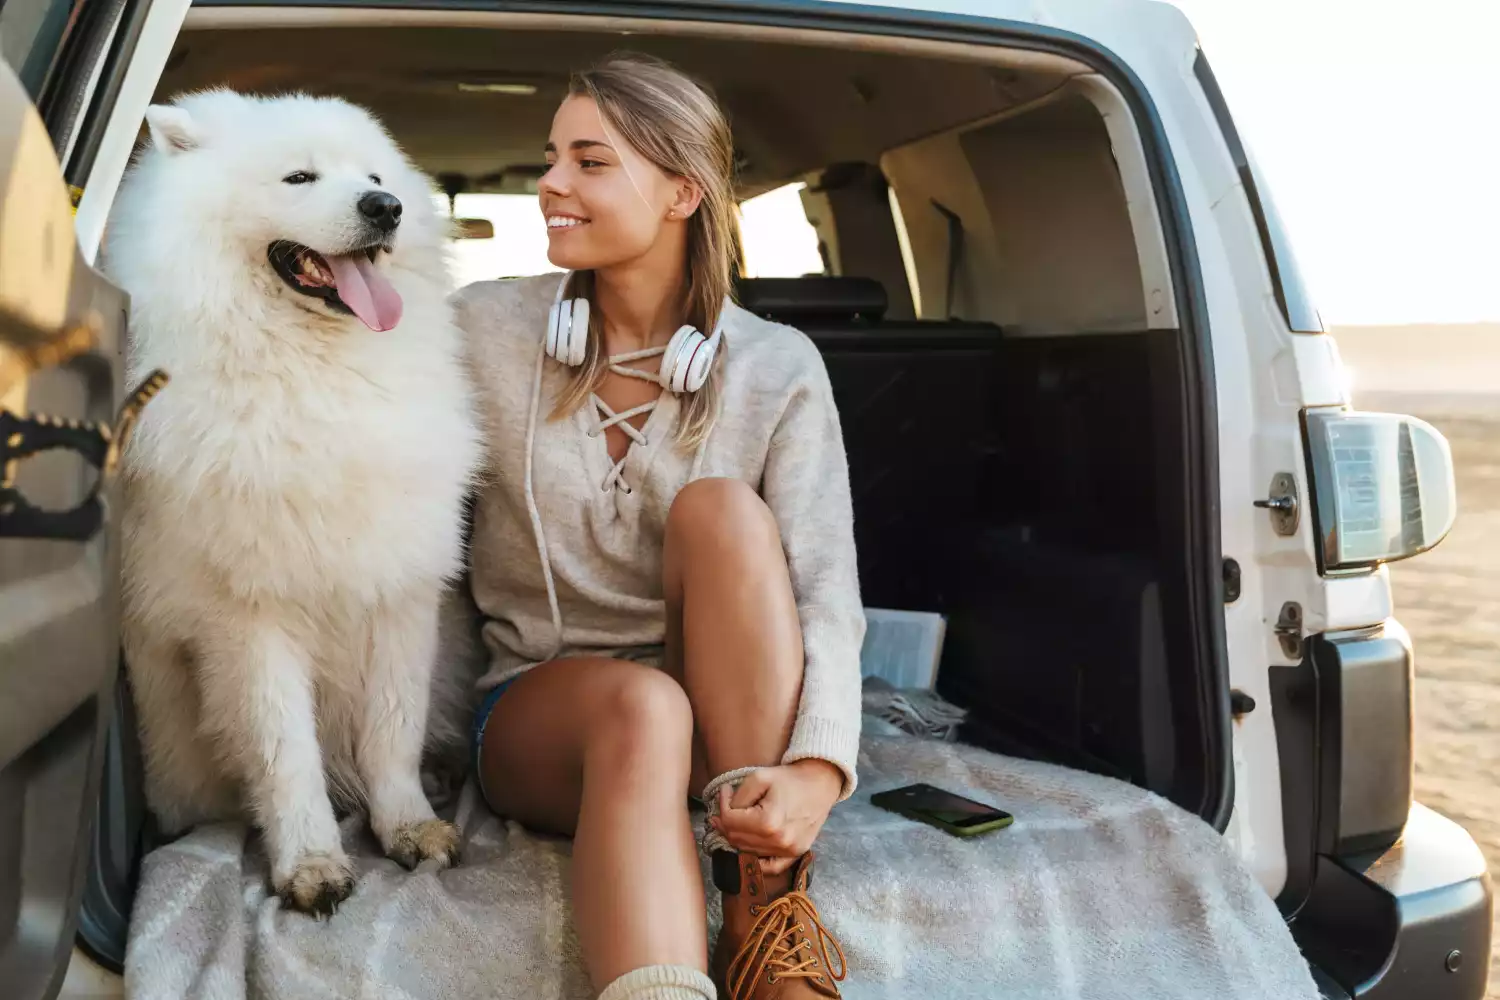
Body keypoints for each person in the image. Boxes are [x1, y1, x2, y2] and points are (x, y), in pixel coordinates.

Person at [453, 51, 864, 1000]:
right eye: (552, 156)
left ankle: (766, 910)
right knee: (647, 707)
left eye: (590, 162)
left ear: (683, 192)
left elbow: (824, 593)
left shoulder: (778, 365)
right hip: (545, 718)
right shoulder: (480, 329)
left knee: (720, 509)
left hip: (731, 727)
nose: (550, 183)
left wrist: (817, 772)